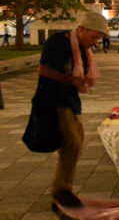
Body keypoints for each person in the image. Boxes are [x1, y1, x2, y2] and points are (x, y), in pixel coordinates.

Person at [34, 12, 107, 208]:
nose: (95, 42)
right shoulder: (58, 41)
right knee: (71, 143)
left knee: (75, 143)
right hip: (54, 99)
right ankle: (61, 192)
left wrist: (78, 81)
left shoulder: (82, 48)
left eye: (99, 38)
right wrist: (71, 80)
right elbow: (43, 70)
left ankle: (63, 189)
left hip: (70, 100)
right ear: (81, 29)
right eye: (94, 37)